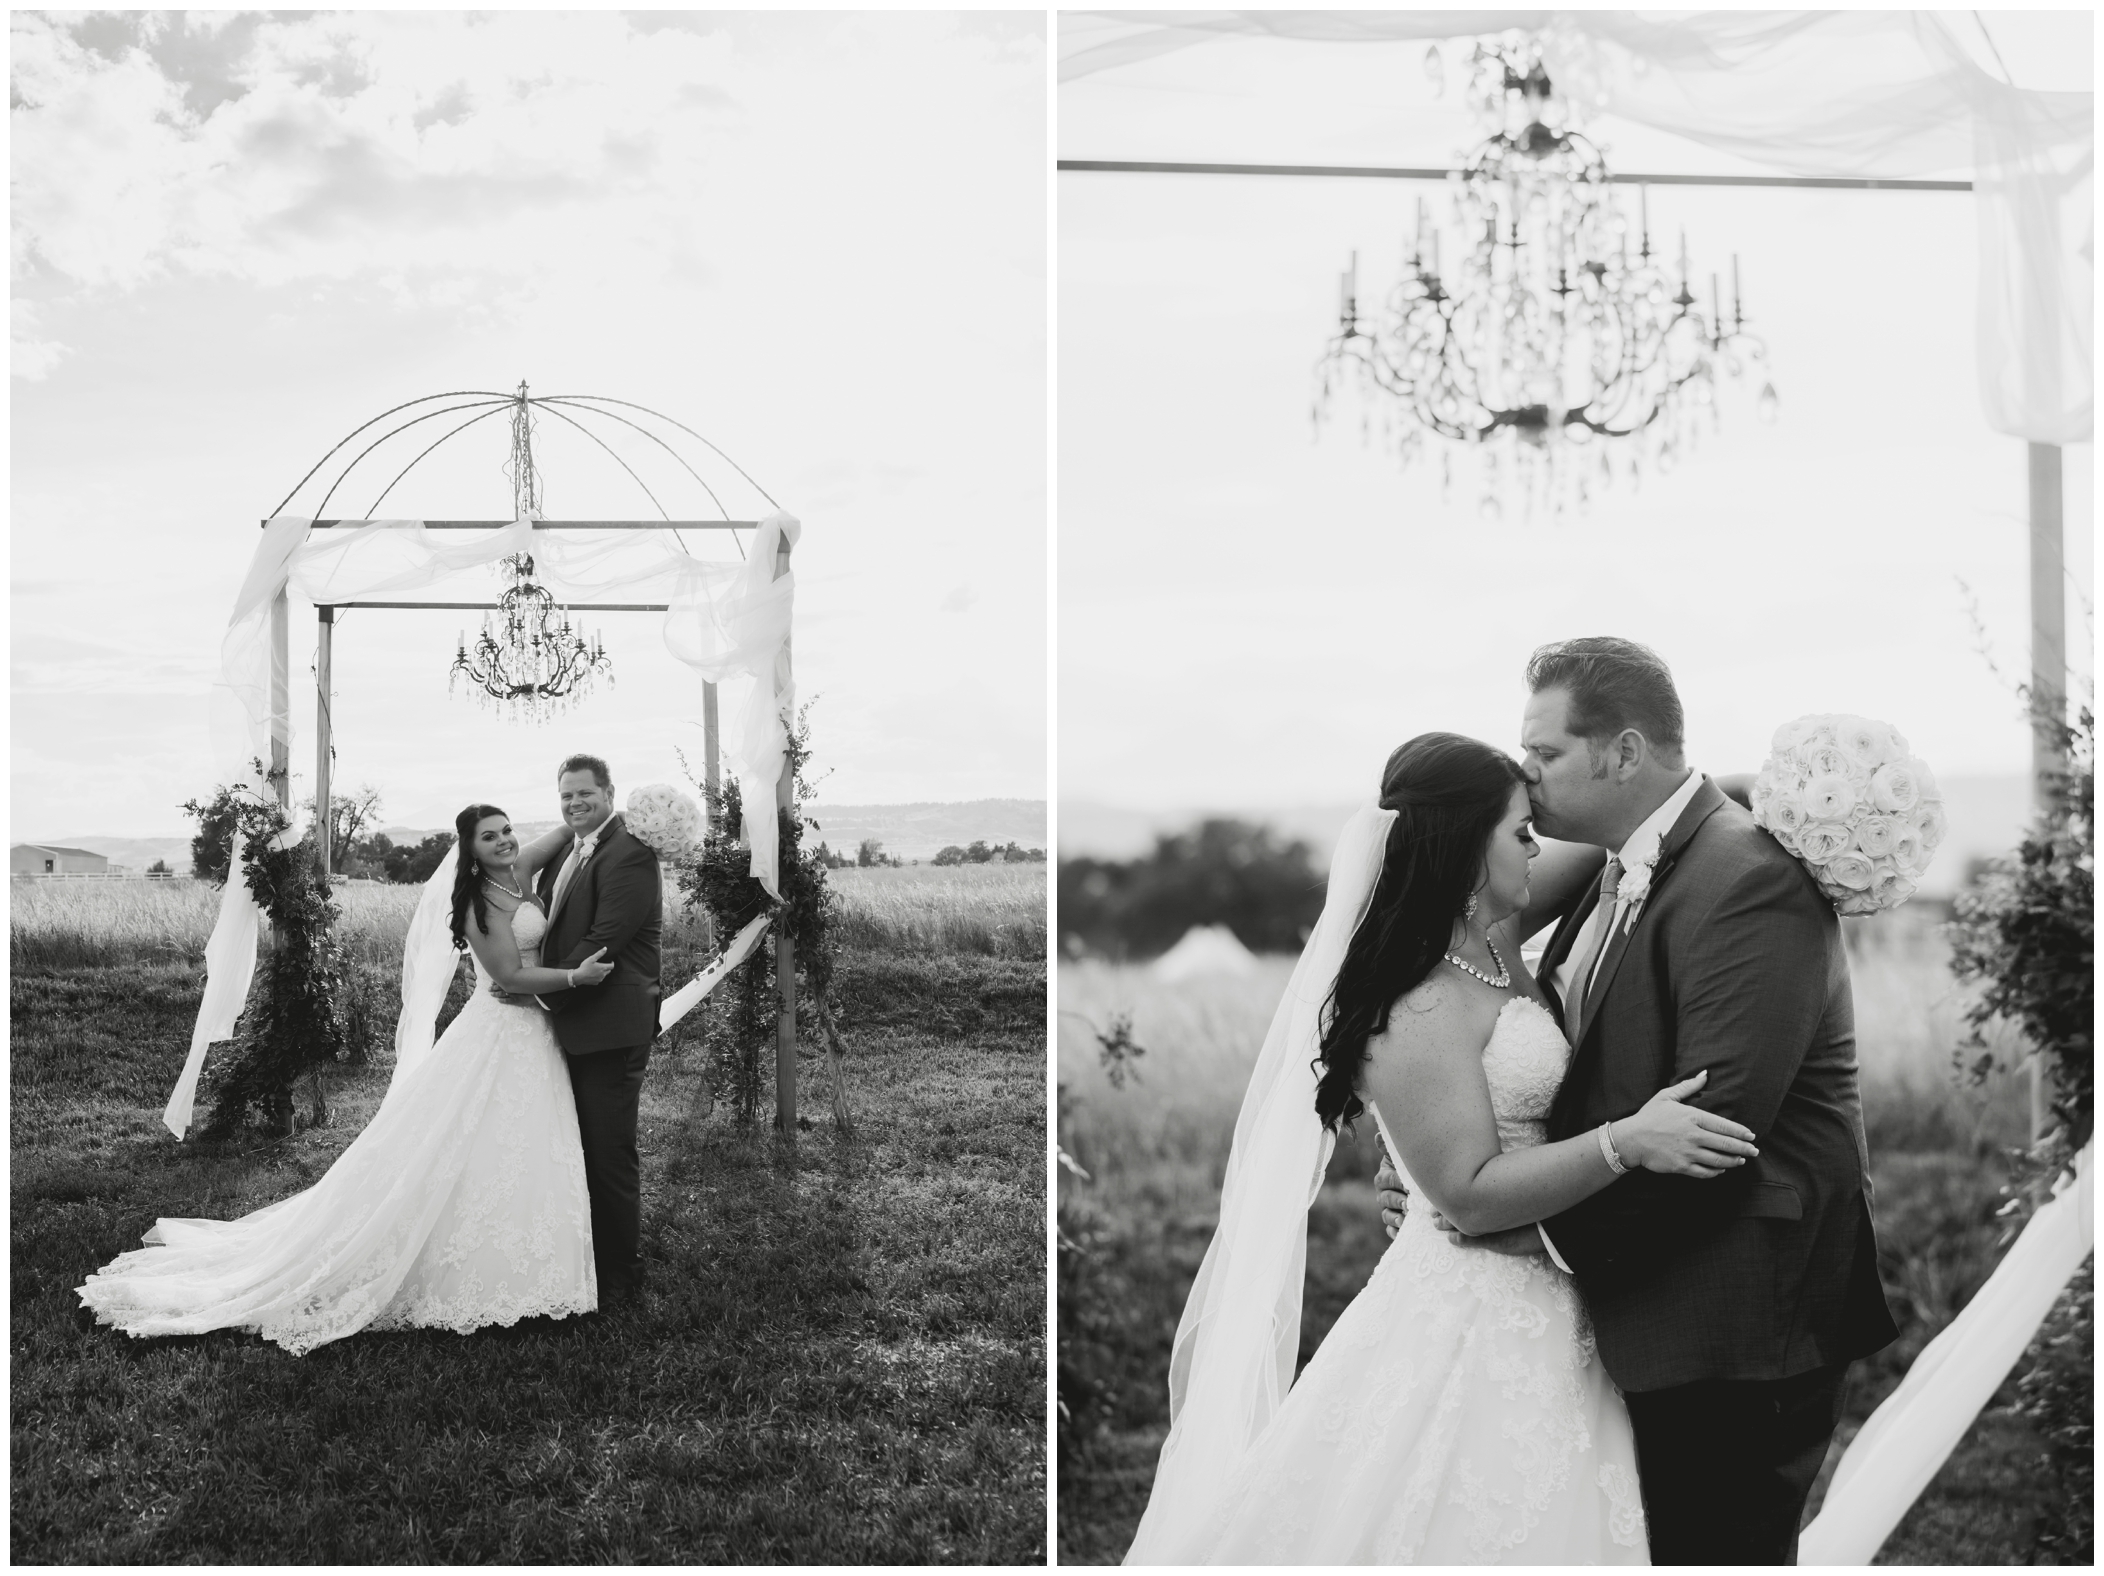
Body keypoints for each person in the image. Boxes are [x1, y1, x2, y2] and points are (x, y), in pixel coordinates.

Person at [1124, 731, 1763, 1564]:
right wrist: (1627, 1142)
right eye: (1520, 831)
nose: (1537, 844)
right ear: (1466, 848)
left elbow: (1646, 834)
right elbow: (1465, 1194)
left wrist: (1766, 789)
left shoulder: (1495, 935)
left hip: (1560, 1283)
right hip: (1474, 1301)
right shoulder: (1416, 1004)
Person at [1379, 637, 1899, 1564]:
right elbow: (1529, 1051)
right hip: (1648, 1300)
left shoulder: (1746, 882)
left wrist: (1512, 1228)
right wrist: (1432, 1160)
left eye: (1545, 756)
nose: (1526, 779)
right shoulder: (1617, 868)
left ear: (1622, 753)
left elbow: (1716, 1127)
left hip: (1736, 1318)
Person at [78, 804, 613, 1352]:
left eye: (506, 832)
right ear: (469, 849)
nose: (502, 842)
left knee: (524, 1143)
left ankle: (537, 1267)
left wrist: (601, 816)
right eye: (488, 837)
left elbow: (569, 832)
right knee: (464, 1139)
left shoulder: (520, 872)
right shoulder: (477, 902)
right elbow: (509, 975)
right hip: (499, 1027)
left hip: (535, 1036)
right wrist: (576, 976)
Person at [490, 753, 663, 1303]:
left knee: (610, 1150)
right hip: (574, 1018)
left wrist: (532, 987)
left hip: (610, 1023)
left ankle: (621, 1276)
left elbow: (605, 940)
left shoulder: (630, 854)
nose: (575, 803)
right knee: (577, 1144)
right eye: (566, 796)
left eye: (585, 793)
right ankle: (585, 1256)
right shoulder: (572, 843)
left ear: (610, 792)